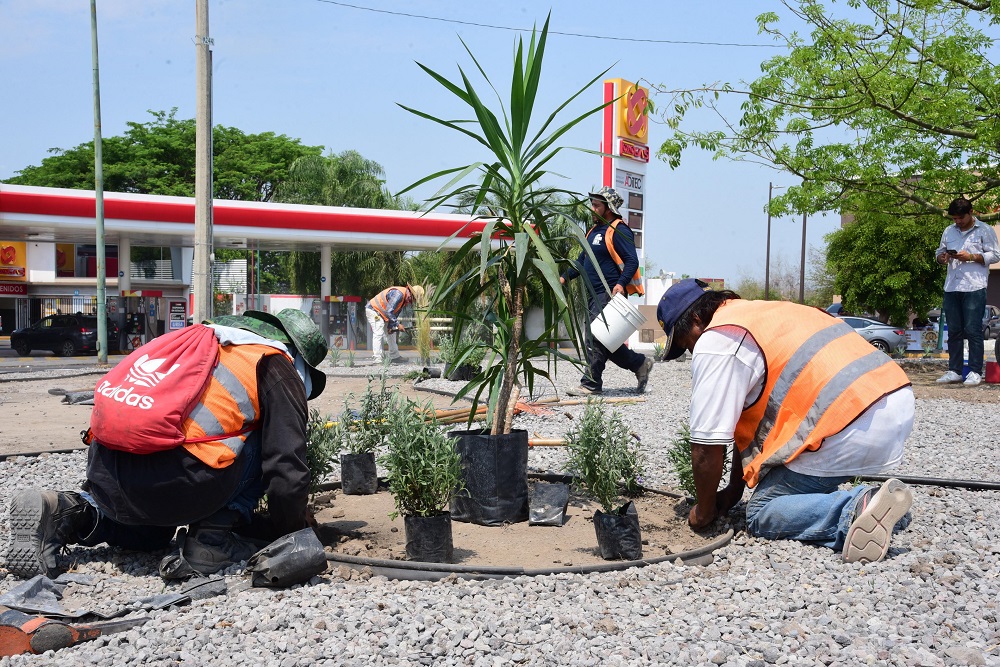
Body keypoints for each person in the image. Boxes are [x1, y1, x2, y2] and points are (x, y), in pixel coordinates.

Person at [6, 308, 328, 580]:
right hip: (179, 484)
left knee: (152, 534)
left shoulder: (195, 341)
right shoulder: (274, 363)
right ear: (301, 359)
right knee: (265, 437)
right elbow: (285, 469)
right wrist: (291, 534)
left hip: (107, 475)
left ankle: (69, 511)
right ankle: (211, 542)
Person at [657, 279, 915, 563]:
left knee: (761, 512)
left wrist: (704, 512)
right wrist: (733, 490)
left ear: (696, 319)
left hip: (849, 421)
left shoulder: (718, 339)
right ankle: (885, 508)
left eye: (686, 343)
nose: (691, 351)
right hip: (892, 398)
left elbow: (706, 446)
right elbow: (746, 429)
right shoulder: (761, 313)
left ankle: (857, 507)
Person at [560, 186, 653, 396]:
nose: (592, 209)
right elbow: (582, 261)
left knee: (595, 337)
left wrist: (620, 284)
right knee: (606, 341)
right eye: (592, 204)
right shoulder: (593, 231)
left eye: (596, 205)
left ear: (608, 208)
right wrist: (564, 277)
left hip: (608, 294)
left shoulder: (619, 230)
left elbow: (631, 261)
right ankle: (640, 363)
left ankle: (590, 384)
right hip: (592, 295)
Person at [934, 197, 999, 387]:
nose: (957, 221)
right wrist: (942, 258)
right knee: (954, 330)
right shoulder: (949, 230)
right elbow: (939, 252)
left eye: (960, 218)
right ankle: (954, 370)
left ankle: (975, 371)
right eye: (954, 218)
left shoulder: (985, 230)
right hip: (952, 286)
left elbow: (996, 255)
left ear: (971, 212)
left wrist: (970, 256)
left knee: (973, 330)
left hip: (974, 286)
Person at [366, 284, 424, 364]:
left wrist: (390, 326)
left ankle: (395, 356)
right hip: (374, 310)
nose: (413, 301)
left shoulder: (403, 299)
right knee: (378, 332)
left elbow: (394, 313)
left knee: (392, 333)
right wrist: (397, 324)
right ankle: (377, 359)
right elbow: (389, 311)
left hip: (382, 313)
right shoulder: (399, 294)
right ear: (411, 295)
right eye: (414, 299)